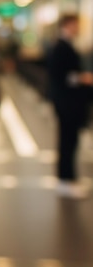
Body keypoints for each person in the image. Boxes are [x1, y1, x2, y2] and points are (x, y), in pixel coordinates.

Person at [46, 13, 93, 199]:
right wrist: (84, 78)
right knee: (67, 141)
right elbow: (62, 76)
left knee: (69, 141)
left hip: (68, 102)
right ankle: (66, 179)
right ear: (68, 24)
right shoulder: (61, 47)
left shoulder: (65, 45)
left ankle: (68, 178)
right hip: (67, 103)